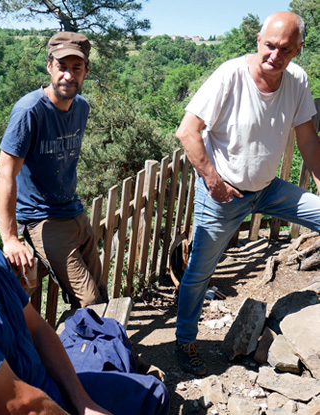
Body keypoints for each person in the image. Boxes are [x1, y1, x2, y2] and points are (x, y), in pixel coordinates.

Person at [0, 149, 169, 415]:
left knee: (151, 395)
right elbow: (22, 407)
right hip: (18, 405)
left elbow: (37, 328)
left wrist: (84, 402)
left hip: (40, 389)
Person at [174, 11, 320, 376]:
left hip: (268, 189)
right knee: (199, 272)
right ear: (258, 41)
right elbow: (187, 132)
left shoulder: (297, 80)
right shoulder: (230, 75)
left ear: (298, 49)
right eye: (270, 45)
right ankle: (185, 339)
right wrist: (212, 179)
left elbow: (308, 140)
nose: (275, 55)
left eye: (285, 49)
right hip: (223, 193)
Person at [0, 31, 107, 309]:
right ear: (49, 66)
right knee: (89, 301)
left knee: (101, 293)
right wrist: (10, 239)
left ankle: (100, 351)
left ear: (86, 72)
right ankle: (65, 352)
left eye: (76, 68)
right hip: (41, 218)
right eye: (62, 67)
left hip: (73, 210)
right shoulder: (29, 111)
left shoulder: (81, 107)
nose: (68, 76)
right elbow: (5, 174)